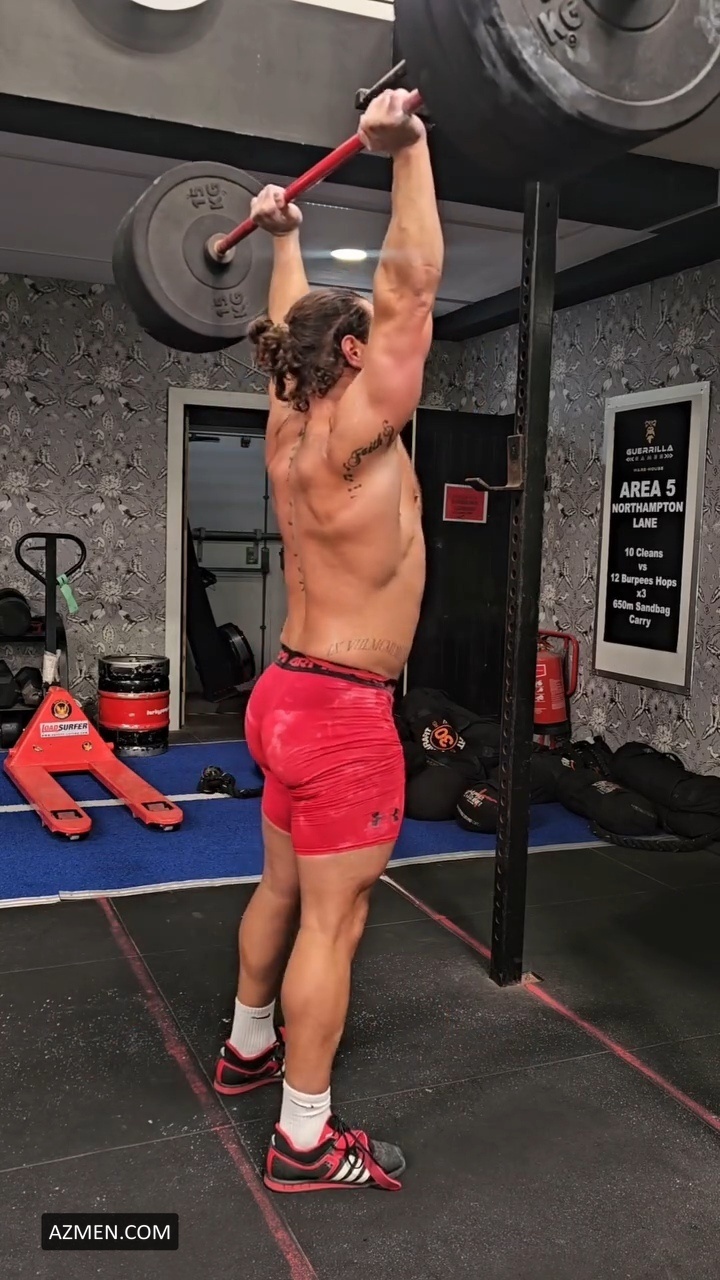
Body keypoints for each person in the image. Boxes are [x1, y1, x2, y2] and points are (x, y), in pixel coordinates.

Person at [214, 88, 444, 1193]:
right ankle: (305, 1136)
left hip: (282, 698)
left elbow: (293, 333)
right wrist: (409, 151)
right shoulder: (360, 428)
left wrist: (284, 238)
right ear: (355, 352)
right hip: (345, 715)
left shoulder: (288, 425)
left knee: (279, 888)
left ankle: (247, 1043)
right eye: (367, 340)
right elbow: (412, 288)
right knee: (333, 921)